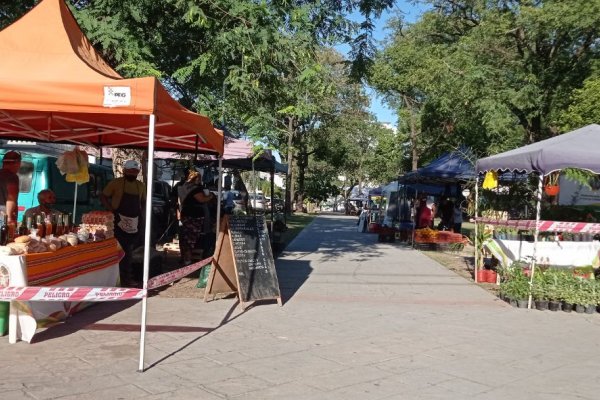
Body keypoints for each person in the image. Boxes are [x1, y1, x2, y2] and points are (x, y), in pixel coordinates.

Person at [100, 159, 146, 287]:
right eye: (130, 171)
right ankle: (117, 279)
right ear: (125, 170)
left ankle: (126, 278)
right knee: (118, 250)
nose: (133, 174)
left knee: (129, 251)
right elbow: (103, 196)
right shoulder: (116, 183)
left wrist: (143, 216)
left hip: (134, 222)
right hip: (118, 221)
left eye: (135, 172)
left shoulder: (141, 185)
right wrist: (111, 209)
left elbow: (143, 202)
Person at [178, 170, 214, 265]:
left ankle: (185, 259)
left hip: (185, 214)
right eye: (198, 178)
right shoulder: (195, 189)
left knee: (186, 237)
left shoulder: (182, 186)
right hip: (194, 216)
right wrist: (210, 196)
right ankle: (188, 260)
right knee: (190, 238)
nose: (199, 180)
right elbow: (202, 199)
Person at [0, 151, 22, 224]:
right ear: (17, 163)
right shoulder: (12, 177)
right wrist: (9, 217)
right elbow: (11, 198)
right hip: (3, 216)